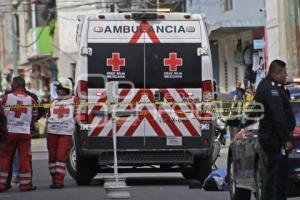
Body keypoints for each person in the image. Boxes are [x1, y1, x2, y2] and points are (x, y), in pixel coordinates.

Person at [255, 59, 296, 200]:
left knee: (276, 177)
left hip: (272, 138)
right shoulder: (270, 90)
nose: (286, 75)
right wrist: (286, 139)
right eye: (284, 73)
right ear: (277, 73)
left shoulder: (270, 86)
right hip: (274, 139)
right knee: (275, 179)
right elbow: (278, 116)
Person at [0, 76, 37, 192]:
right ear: (23, 86)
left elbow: (1, 114)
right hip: (24, 132)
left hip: (9, 132)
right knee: (24, 158)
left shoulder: (6, 98)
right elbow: (34, 116)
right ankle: (25, 185)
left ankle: (1, 184)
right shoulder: (31, 100)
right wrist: (29, 126)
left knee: (5, 157)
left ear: (14, 86)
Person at [46, 78, 78, 189]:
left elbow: (78, 114)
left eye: (61, 89)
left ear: (67, 90)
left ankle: (59, 181)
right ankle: (54, 179)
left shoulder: (74, 100)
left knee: (61, 156)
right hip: (52, 132)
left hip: (65, 132)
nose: (59, 91)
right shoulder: (54, 101)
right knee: (52, 157)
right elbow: (48, 116)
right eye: (58, 89)